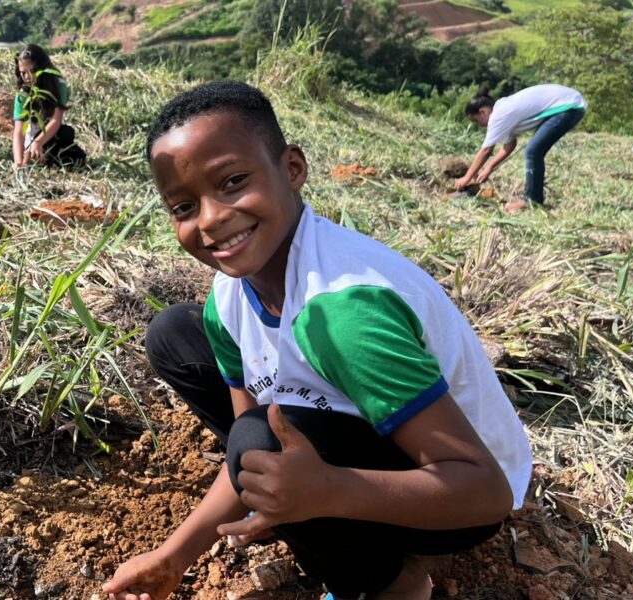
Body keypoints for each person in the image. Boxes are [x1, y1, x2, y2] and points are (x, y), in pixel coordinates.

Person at [103, 81, 532, 600]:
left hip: (456, 496)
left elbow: (487, 494)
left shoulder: (344, 314)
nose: (212, 218)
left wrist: (331, 490)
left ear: (292, 170)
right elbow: (248, 441)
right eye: (184, 207)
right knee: (174, 335)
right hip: (353, 432)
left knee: (260, 441)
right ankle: (312, 500)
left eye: (234, 181)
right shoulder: (228, 298)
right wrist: (174, 556)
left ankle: (396, 582)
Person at [455, 84, 586, 214]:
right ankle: (534, 199)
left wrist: (466, 178)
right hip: (570, 104)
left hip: (568, 106)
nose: (479, 126)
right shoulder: (504, 112)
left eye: (476, 121)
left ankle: (531, 200)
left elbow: (486, 150)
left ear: (482, 112)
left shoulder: (498, 115)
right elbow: (509, 145)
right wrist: (489, 167)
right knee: (534, 151)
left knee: (533, 151)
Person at [11, 44, 87, 168]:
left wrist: (39, 142)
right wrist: (18, 163)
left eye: (32, 71)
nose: (27, 77)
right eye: (23, 73)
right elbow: (19, 131)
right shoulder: (23, 96)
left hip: (49, 136)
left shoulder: (58, 86)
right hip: (32, 142)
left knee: (70, 142)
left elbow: (56, 120)